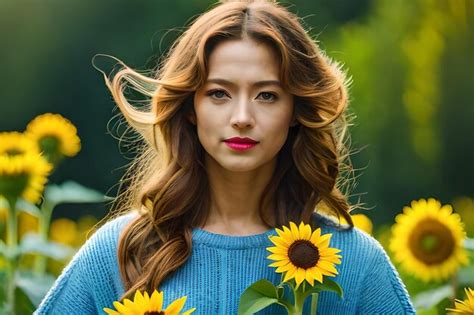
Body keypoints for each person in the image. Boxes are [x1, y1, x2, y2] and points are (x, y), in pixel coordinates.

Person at [35, 0, 415, 314]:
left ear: (296, 111)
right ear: (189, 108)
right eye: (219, 93)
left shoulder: (354, 263)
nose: (242, 118)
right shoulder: (121, 252)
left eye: (267, 95)